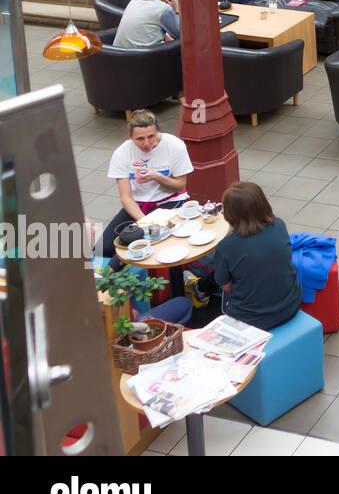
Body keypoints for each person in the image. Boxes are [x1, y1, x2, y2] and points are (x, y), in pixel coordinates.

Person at [198, 181, 302, 331]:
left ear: (229, 215)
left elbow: (226, 287)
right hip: (291, 304)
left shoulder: (226, 247)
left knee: (218, 291)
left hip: (252, 319)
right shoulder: (279, 225)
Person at [99, 110, 192, 257]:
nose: (147, 143)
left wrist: (157, 177)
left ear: (157, 132)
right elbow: (126, 198)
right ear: (130, 137)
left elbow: (181, 185)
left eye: (151, 136)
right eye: (140, 139)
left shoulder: (174, 145)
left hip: (170, 201)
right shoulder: (122, 153)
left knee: (155, 245)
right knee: (103, 249)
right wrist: (145, 222)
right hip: (138, 205)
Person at [115, 0, 181, 48]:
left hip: (116, 54)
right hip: (142, 56)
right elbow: (182, 35)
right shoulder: (163, 8)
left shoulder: (134, 0)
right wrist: (177, 10)